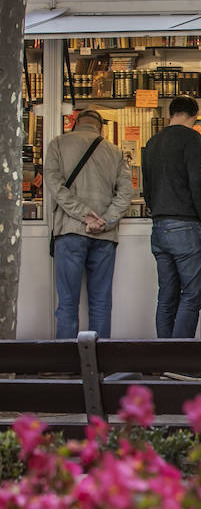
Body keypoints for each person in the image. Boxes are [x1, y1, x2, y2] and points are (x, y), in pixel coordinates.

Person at [45, 109, 133, 339]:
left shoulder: (57, 144)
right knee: (101, 302)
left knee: (67, 303)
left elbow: (56, 187)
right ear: (100, 128)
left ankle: (66, 364)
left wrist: (84, 215)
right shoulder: (115, 152)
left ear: (74, 123)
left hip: (70, 232)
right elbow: (125, 195)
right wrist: (104, 221)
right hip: (104, 236)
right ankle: (99, 362)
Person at [141, 96, 201, 338]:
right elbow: (198, 181)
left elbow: (146, 187)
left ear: (171, 113)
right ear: (194, 115)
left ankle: (164, 358)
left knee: (167, 295)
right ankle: (181, 361)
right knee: (191, 295)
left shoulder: (152, 142)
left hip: (159, 226)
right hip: (187, 224)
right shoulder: (191, 138)